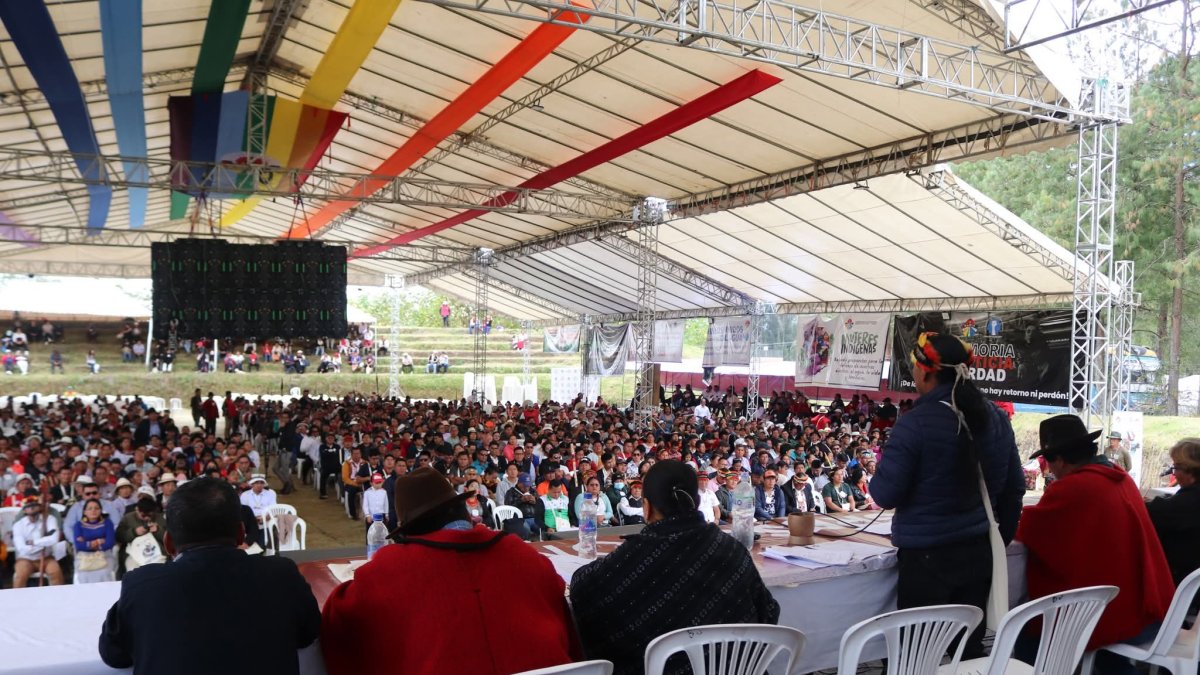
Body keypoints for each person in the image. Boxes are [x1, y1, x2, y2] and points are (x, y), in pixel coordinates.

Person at [320, 468, 578, 675]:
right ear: (464, 510)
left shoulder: (387, 569)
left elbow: (338, 623)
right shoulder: (522, 553)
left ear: (409, 531)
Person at [870, 332, 1025, 660]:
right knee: (965, 656)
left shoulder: (916, 424)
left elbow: (885, 494)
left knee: (916, 657)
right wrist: (994, 537)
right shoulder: (996, 417)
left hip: (927, 561)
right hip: (978, 554)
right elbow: (1014, 489)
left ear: (925, 372)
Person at [569, 461, 780, 675]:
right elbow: (769, 612)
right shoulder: (731, 548)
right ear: (697, 502)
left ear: (647, 507)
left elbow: (582, 587)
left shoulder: (634, 556)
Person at [99, 478, 320, 674]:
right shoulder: (281, 574)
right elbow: (308, 634)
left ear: (168, 543)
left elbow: (114, 655)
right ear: (241, 533)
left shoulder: (142, 585)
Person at [1016, 415, 1175, 674]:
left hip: (1116, 617)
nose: (1049, 469)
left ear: (1060, 459)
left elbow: (1029, 530)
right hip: (1146, 607)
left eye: (1048, 461)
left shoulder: (1075, 487)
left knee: (1027, 631)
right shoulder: (1119, 477)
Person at [1146, 438, 1200, 606]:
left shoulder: (1187, 503)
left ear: (1190, 471)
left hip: (1181, 591)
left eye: (1176, 467)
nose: (1174, 473)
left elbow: (1159, 511)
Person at [13, 496, 64, 587]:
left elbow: (54, 539)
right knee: (20, 576)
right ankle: (17, 600)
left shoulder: (50, 519)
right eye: (28, 506)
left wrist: (34, 542)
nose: (31, 508)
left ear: (39, 507)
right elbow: (22, 549)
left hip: (47, 558)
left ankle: (59, 599)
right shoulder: (18, 525)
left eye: (34, 505)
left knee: (56, 572)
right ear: (24, 510)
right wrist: (43, 544)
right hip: (26, 559)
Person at [73, 497, 116, 583]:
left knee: (104, 573)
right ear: (84, 512)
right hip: (84, 557)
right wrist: (99, 541)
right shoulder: (78, 525)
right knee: (83, 575)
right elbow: (79, 545)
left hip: (104, 555)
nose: (93, 511)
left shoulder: (107, 523)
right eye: (90, 508)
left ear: (101, 510)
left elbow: (110, 543)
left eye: (96, 508)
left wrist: (87, 543)